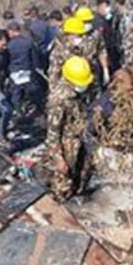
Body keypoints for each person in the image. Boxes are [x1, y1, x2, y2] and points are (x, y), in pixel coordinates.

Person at [45, 56, 98, 198]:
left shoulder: (75, 93)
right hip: (65, 144)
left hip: (76, 137)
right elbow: (52, 134)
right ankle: (60, 199)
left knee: (77, 170)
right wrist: (59, 158)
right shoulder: (59, 100)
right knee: (63, 178)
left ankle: (74, 190)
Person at [1, 20, 37, 142]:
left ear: (11, 31)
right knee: (31, 93)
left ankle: (18, 114)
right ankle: (32, 113)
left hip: (14, 72)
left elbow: (6, 61)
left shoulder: (9, 46)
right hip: (27, 70)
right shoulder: (28, 42)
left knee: (15, 96)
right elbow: (34, 59)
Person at [95, 0, 123, 71]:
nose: (107, 9)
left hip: (112, 48)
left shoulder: (106, 18)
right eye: (105, 6)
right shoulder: (97, 20)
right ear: (99, 7)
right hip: (106, 50)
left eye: (108, 6)